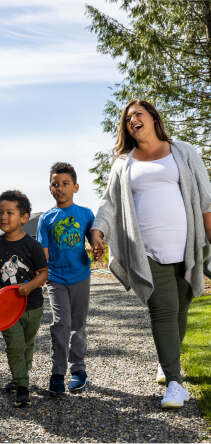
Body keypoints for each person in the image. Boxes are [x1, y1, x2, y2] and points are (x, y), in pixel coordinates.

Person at [92, 100, 211, 408]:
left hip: (186, 248)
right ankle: (174, 384)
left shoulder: (183, 152)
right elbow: (109, 203)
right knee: (162, 310)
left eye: (138, 114)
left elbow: (206, 198)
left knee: (180, 310)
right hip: (146, 251)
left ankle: (167, 360)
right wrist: (98, 231)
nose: (132, 120)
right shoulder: (124, 162)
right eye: (127, 118)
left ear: (153, 118)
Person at [0, 190, 48, 407]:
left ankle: (20, 374)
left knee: (26, 344)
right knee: (15, 345)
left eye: (10, 212)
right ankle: (22, 386)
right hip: (7, 307)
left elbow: (43, 274)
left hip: (32, 306)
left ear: (24, 218)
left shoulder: (32, 245)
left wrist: (29, 285)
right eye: (0, 212)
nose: (4, 217)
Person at [37, 162, 95, 394]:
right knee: (61, 324)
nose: (60, 188)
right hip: (56, 278)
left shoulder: (85, 214)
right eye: (55, 184)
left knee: (78, 326)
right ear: (50, 188)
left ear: (76, 187)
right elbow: (44, 254)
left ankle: (78, 370)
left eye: (65, 184)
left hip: (81, 276)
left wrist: (99, 246)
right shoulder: (46, 219)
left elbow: (95, 239)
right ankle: (58, 373)